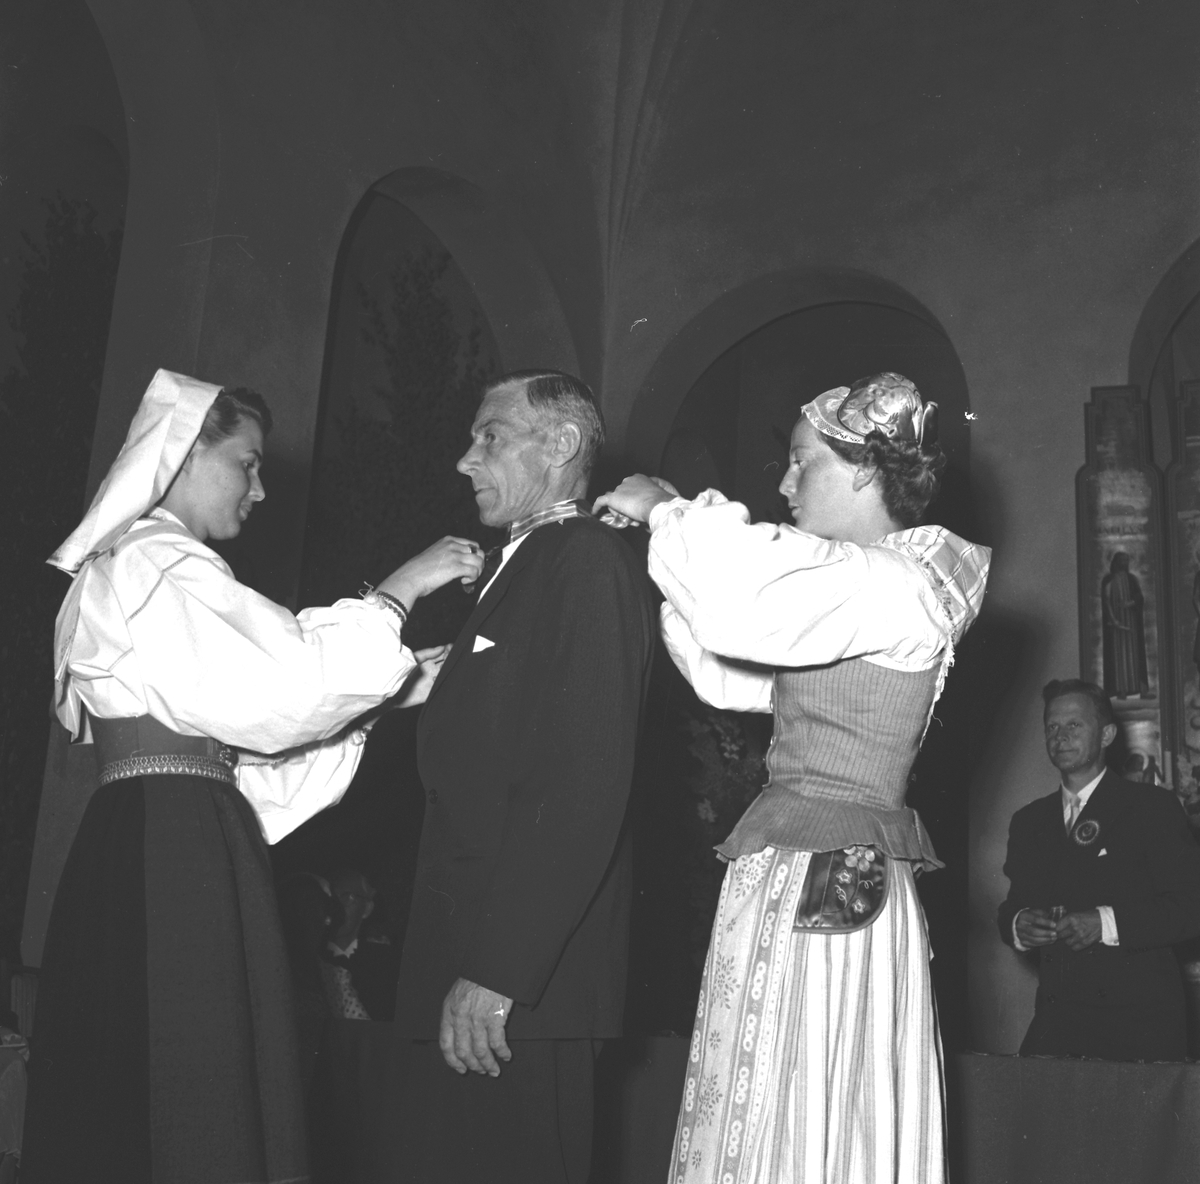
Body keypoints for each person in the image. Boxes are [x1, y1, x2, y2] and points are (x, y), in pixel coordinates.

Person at [21, 369, 482, 1184]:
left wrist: (387, 694)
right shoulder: (156, 559)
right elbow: (285, 687)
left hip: (176, 820)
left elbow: (247, 740)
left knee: (177, 1073)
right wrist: (402, 588)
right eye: (247, 462)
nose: (260, 488)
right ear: (184, 455)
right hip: (171, 837)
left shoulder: (150, 566)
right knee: (189, 1077)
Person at [596, 372, 990, 1184]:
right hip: (798, 866)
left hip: (832, 874)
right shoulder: (861, 588)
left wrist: (668, 509)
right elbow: (728, 666)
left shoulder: (897, 585)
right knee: (768, 1086)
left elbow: (743, 601)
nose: (784, 484)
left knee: (814, 1094)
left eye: (802, 461)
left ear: (865, 471)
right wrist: (669, 549)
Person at [386, 370, 655, 1183]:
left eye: (490, 437)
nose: (466, 460)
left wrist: (499, 970)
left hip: (516, 988)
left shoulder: (583, 558)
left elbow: (580, 782)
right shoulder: (534, 561)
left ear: (562, 444)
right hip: (475, 963)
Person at [997, 679, 1200, 1061]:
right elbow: (1013, 904)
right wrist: (1019, 924)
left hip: (1137, 1025)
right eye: (1052, 727)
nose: (1060, 736)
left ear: (1107, 735)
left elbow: (1192, 906)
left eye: (1074, 725)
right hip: (1059, 1019)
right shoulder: (1029, 820)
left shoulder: (1151, 807)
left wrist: (1106, 923)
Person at [324, 867, 400, 1020]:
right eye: (331, 898)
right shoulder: (312, 961)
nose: (336, 907)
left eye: (347, 897)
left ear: (367, 908)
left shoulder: (387, 961)